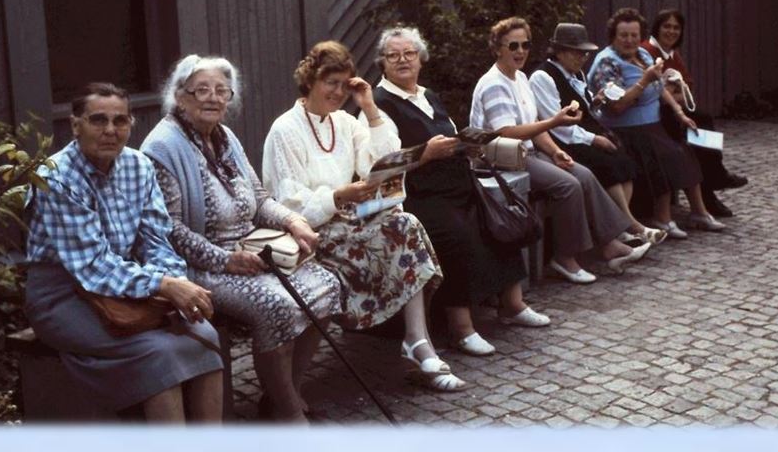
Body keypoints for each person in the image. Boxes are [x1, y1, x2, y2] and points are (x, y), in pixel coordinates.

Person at [141, 55, 343, 423]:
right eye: (201, 90)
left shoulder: (225, 136)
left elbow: (260, 198)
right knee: (277, 307)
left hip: (252, 248)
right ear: (180, 96)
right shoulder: (162, 148)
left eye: (221, 91)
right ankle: (290, 416)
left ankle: (283, 395)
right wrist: (226, 260)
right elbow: (169, 229)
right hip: (201, 265)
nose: (213, 98)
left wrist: (294, 221)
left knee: (327, 287)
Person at [262, 41, 464, 392]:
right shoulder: (285, 129)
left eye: (345, 84)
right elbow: (287, 203)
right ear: (310, 80)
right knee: (397, 233)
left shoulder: (343, 121)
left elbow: (384, 162)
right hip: (309, 233)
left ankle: (417, 340)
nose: (339, 92)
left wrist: (369, 108)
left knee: (406, 223)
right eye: (331, 83)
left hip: (348, 220)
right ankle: (413, 342)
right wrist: (339, 195)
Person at [24, 82, 224, 422]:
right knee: (158, 353)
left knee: (204, 334)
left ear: (131, 124)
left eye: (120, 121)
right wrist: (163, 286)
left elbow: (156, 240)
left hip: (127, 286)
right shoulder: (56, 179)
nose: (110, 131)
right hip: (63, 296)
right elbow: (93, 266)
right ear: (76, 125)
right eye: (98, 120)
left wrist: (171, 281)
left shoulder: (139, 166)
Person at [369, 25, 550, 357]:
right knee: (456, 233)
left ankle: (512, 304)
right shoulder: (379, 104)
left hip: (456, 183)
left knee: (496, 218)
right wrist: (426, 153)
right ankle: (461, 328)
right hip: (418, 195)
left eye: (409, 53)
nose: (403, 60)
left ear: (421, 58)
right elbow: (384, 161)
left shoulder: (428, 95)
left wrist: (467, 146)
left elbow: (452, 136)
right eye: (393, 56)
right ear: (382, 63)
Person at [471, 17, 651, 285]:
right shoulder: (495, 83)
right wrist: (555, 122)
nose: (520, 51)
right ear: (498, 49)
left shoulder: (519, 78)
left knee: (583, 174)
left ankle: (610, 246)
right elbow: (505, 133)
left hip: (525, 152)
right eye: (513, 46)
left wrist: (555, 151)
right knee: (568, 185)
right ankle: (565, 258)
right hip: (500, 159)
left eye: (526, 45)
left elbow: (534, 126)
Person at [587, 7, 726, 239]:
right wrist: (643, 81)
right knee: (668, 155)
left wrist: (680, 113)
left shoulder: (643, 55)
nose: (629, 40)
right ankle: (662, 218)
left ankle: (699, 212)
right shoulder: (607, 63)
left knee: (687, 149)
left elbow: (661, 89)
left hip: (653, 124)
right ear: (613, 36)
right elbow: (617, 106)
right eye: (623, 35)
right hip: (627, 129)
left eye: (634, 35)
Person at [529, 22, 667, 244]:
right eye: (577, 53)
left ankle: (621, 224)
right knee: (607, 164)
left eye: (585, 53)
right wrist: (594, 139)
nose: (582, 58)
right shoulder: (543, 77)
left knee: (624, 162)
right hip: (561, 141)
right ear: (560, 51)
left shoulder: (577, 74)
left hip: (582, 134)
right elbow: (556, 123)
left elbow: (583, 109)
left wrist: (595, 101)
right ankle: (633, 225)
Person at [641, 8, 748, 217]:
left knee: (701, 130)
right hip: (653, 115)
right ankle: (715, 182)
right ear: (657, 28)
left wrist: (675, 93)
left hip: (671, 112)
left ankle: (712, 188)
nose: (671, 32)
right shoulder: (648, 52)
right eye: (667, 26)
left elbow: (688, 86)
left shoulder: (672, 55)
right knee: (700, 124)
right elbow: (658, 92)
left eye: (676, 28)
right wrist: (673, 93)